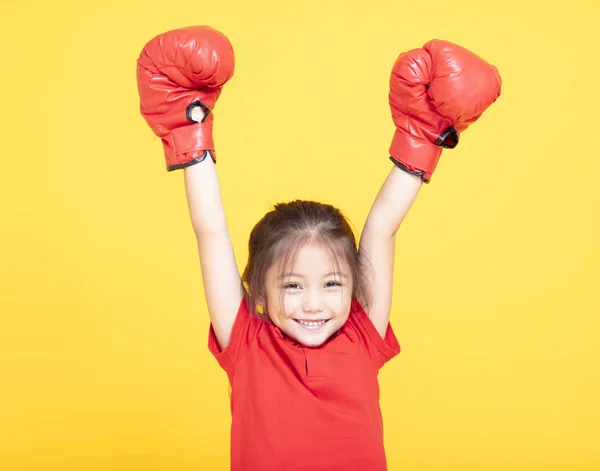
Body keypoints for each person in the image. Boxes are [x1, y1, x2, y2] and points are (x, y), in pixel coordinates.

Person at [136, 26, 501, 471]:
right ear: (258, 294)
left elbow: (382, 228)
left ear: (354, 285)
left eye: (332, 283)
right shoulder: (248, 343)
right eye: (292, 285)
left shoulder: (364, 333)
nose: (314, 303)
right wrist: (186, 126)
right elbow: (210, 230)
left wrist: (422, 137)